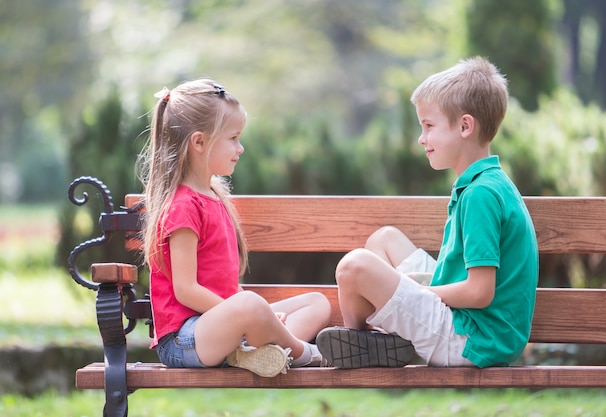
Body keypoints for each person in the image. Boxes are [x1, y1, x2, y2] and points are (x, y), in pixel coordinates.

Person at [316, 56, 539, 369]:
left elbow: (479, 292)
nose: (421, 138)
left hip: (472, 339)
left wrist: (419, 291)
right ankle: (374, 342)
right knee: (385, 240)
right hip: (470, 325)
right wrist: (412, 289)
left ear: (465, 126)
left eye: (429, 126)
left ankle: (362, 340)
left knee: (353, 267)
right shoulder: (485, 182)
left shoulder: (481, 195)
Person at [139, 79, 331, 377]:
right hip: (184, 339)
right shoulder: (182, 207)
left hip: (221, 328)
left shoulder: (215, 198)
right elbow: (186, 290)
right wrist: (248, 314)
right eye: (233, 138)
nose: (240, 148)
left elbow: (226, 287)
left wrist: (255, 316)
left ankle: (254, 352)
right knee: (251, 305)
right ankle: (305, 353)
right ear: (199, 142)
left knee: (316, 303)